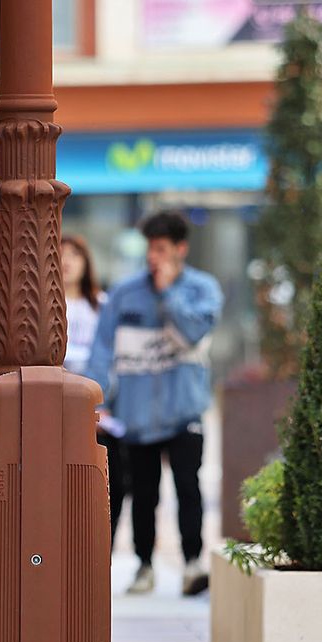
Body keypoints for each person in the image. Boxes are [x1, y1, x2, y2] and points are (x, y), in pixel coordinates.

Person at [85, 211, 222, 597]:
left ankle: (193, 563)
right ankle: (144, 565)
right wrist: (97, 398)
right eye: (150, 248)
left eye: (161, 248)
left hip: (184, 412)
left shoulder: (202, 289)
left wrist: (168, 294)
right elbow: (103, 349)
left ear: (181, 249)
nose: (153, 256)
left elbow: (195, 331)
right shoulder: (125, 294)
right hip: (135, 414)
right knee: (144, 494)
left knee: (188, 488)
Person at [62, 234, 127, 544]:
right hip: (57, 410)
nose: (66, 261)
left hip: (101, 410)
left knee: (105, 482)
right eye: (60, 253)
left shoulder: (103, 305)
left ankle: (102, 548)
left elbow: (116, 356)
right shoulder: (41, 308)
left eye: (74, 254)